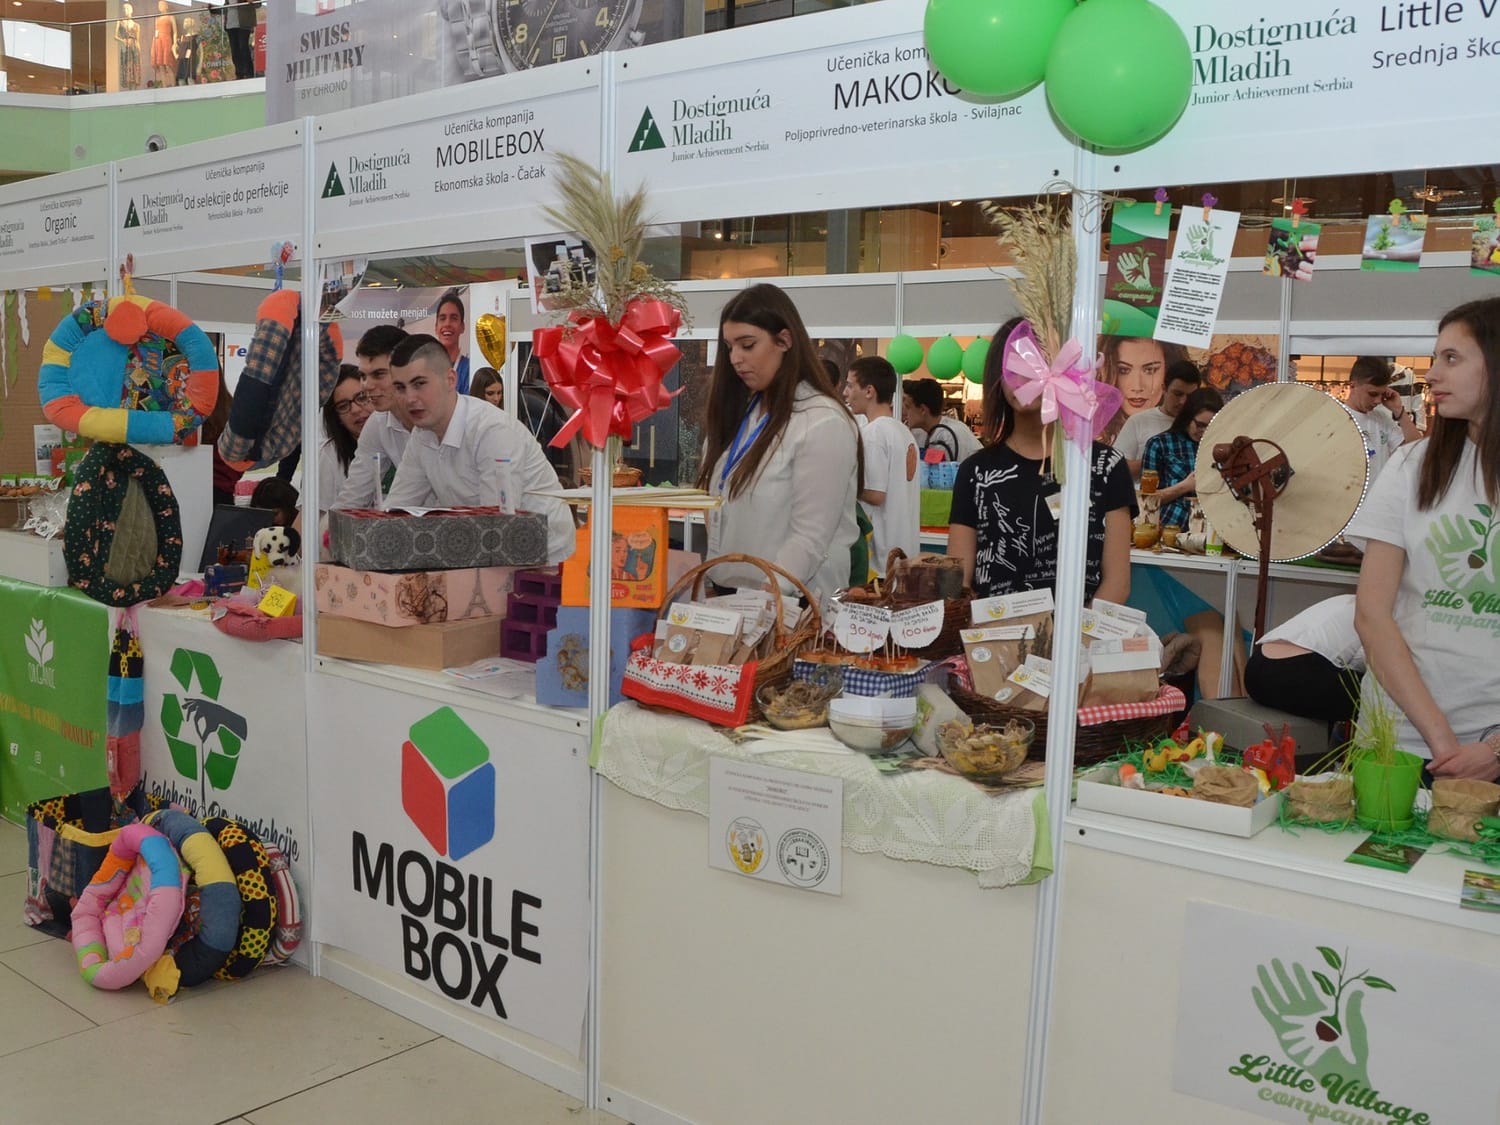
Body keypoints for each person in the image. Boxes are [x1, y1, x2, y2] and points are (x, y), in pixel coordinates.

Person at [1351, 298, 1500, 780]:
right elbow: (1372, 615)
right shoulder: (1412, 466)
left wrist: (1494, 753)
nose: (1432, 374)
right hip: (1400, 739)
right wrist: (1444, 747)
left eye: (1452, 359)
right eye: (1436, 358)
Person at [947, 318, 1137, 603]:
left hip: (1077, 640)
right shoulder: (975, 472)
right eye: (1015, 368)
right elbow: (959, 580)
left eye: (1038, 365)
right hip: (993, 638)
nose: (1026, 379)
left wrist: (1074, 640)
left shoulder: (1104, 467)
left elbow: (1117, 583)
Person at [696, 283, 860, 606]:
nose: (736, 359)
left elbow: (810, 537)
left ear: (784, 340)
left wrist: (762, 602)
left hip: (792, 607)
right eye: (730, 347)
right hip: (732, 600)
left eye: (747, 345)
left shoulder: (821, 420)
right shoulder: (740, 417)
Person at [383, 335, 575, 564]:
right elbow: (398, 509)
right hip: (485, 553)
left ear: (450, 379)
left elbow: (496, 523)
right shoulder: (421, 435)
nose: (409, 398)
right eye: (400, 388)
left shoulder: (492, 431)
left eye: (419, 384)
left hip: (547, 559)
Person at [843, 356, 919, 577]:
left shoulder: (874, 434)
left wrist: (843, 485)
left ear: (869, 391)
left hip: (881, 559)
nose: (846, 393)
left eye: (850, 385)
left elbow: (876, 494)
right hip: (904, 554)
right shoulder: (903, 432)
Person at [1245, 595, 1364, 725]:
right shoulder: (1379, 614)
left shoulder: (1346, 599)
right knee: (1379, 695)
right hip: (1301, 676)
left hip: (1255, 670)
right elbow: (1374, 666)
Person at [334, 324, 410, 509]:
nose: (366, 385)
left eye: (378, 374)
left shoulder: (482, 424)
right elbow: (352, 497)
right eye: (363, 376)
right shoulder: (378, 422)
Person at [1142, 387, 1224, 530]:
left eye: (1211, 427)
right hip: (1170, 530)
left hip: (1213, 532)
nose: (1203, 432)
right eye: (1200, 425)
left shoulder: (1223, 447)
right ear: (1187, 417)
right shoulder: (1160, 444)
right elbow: (1145, 501)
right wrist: (1184, 486)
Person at [1113, 359, 1202, 478]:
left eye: (1190, 396)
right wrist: (1158, 459)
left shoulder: (1201, 425)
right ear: (1164, 388)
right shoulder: (1139, 421)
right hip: (1146, 495)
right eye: (1177, 394)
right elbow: (1116, 468)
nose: (1183, 402)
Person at [1098, 335, 1190, 443]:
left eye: (1150, 370)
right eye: (1123, 370)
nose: (1137, 387)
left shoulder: (1188, 431)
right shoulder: (1094, 435)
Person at [1344, 355, 1420, 485]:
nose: (1378, 401)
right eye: (1373, 394)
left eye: (1382, 394)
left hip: (1378, 501)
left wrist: (1398, 411)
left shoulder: (1381, 419)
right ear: (1353, 386)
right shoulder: (1338, 417)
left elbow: (1416, 450)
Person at [315, 365, 372, 514]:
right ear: (337, 418)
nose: (356, 410)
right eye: (343, 406)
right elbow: (313, 517)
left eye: (362, 397)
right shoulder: (330, 454)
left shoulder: (402, 434)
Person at [902, 377, 982, 463]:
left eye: (908, 406)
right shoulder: (918, 433)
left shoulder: (952, 434)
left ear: (922, 410)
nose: (904, 412)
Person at [434, 290, 471, 395]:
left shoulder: (470, 369)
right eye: (442, 318)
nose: (447, 324)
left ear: (462, 327)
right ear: (436, 327)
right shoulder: (426, 368)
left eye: (453, 318)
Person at [224, 0, 257, 81]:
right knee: (234, 51)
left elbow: (257, 3)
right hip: (230, 26)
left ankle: (249, 73)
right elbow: (225, 8)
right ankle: (239, 74)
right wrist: (212, 8)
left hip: (244, 24)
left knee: (243, 47)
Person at [150, 1, 177, 89]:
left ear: (166, 6)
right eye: (159, 5)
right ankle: (164, 86)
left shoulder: (171, 17)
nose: (160, 7)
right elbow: (155, 32)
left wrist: (175, 43)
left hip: (166, 40)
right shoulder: (157, 19)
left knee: (168, 64)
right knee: (161, 65)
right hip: (158, 41)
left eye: (162, 5)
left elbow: (175, 32)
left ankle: (173, 85)